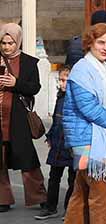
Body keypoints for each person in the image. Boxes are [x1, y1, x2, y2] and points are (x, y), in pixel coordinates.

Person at [64, 22, 106, 224]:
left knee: (81, 194)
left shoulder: (103, 68)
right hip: (87, 143)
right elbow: (88, 107)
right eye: (101, 42)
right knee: (104, 196)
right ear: (90, 42)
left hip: (93, 140)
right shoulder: (83, 69)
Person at [0, 23, 45, 212]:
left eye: (10, 43)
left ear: (17, 41)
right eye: (3, 43)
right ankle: (3, 199)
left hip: (18, 119)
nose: (7, 47)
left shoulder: (29, 62)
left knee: (27, 158)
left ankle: (39, 196)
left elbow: (34, 87)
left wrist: (15, 83)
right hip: (1, 118)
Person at [34, 68, 74, 220]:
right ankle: (51, 207)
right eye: (61, 80)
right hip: (57, 144)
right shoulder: (60, 97)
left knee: (73, 179)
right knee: (53, 178)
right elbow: (56, 121)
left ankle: (69, 209)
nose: (62, 84)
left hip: (70, 145)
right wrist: (50, 136)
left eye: (66, 81)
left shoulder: (78, 99)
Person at [65, 10, 106, 77]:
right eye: (101, 42)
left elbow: (67, 68)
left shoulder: (74, 43)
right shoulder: (103, 49)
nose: (105, 48)